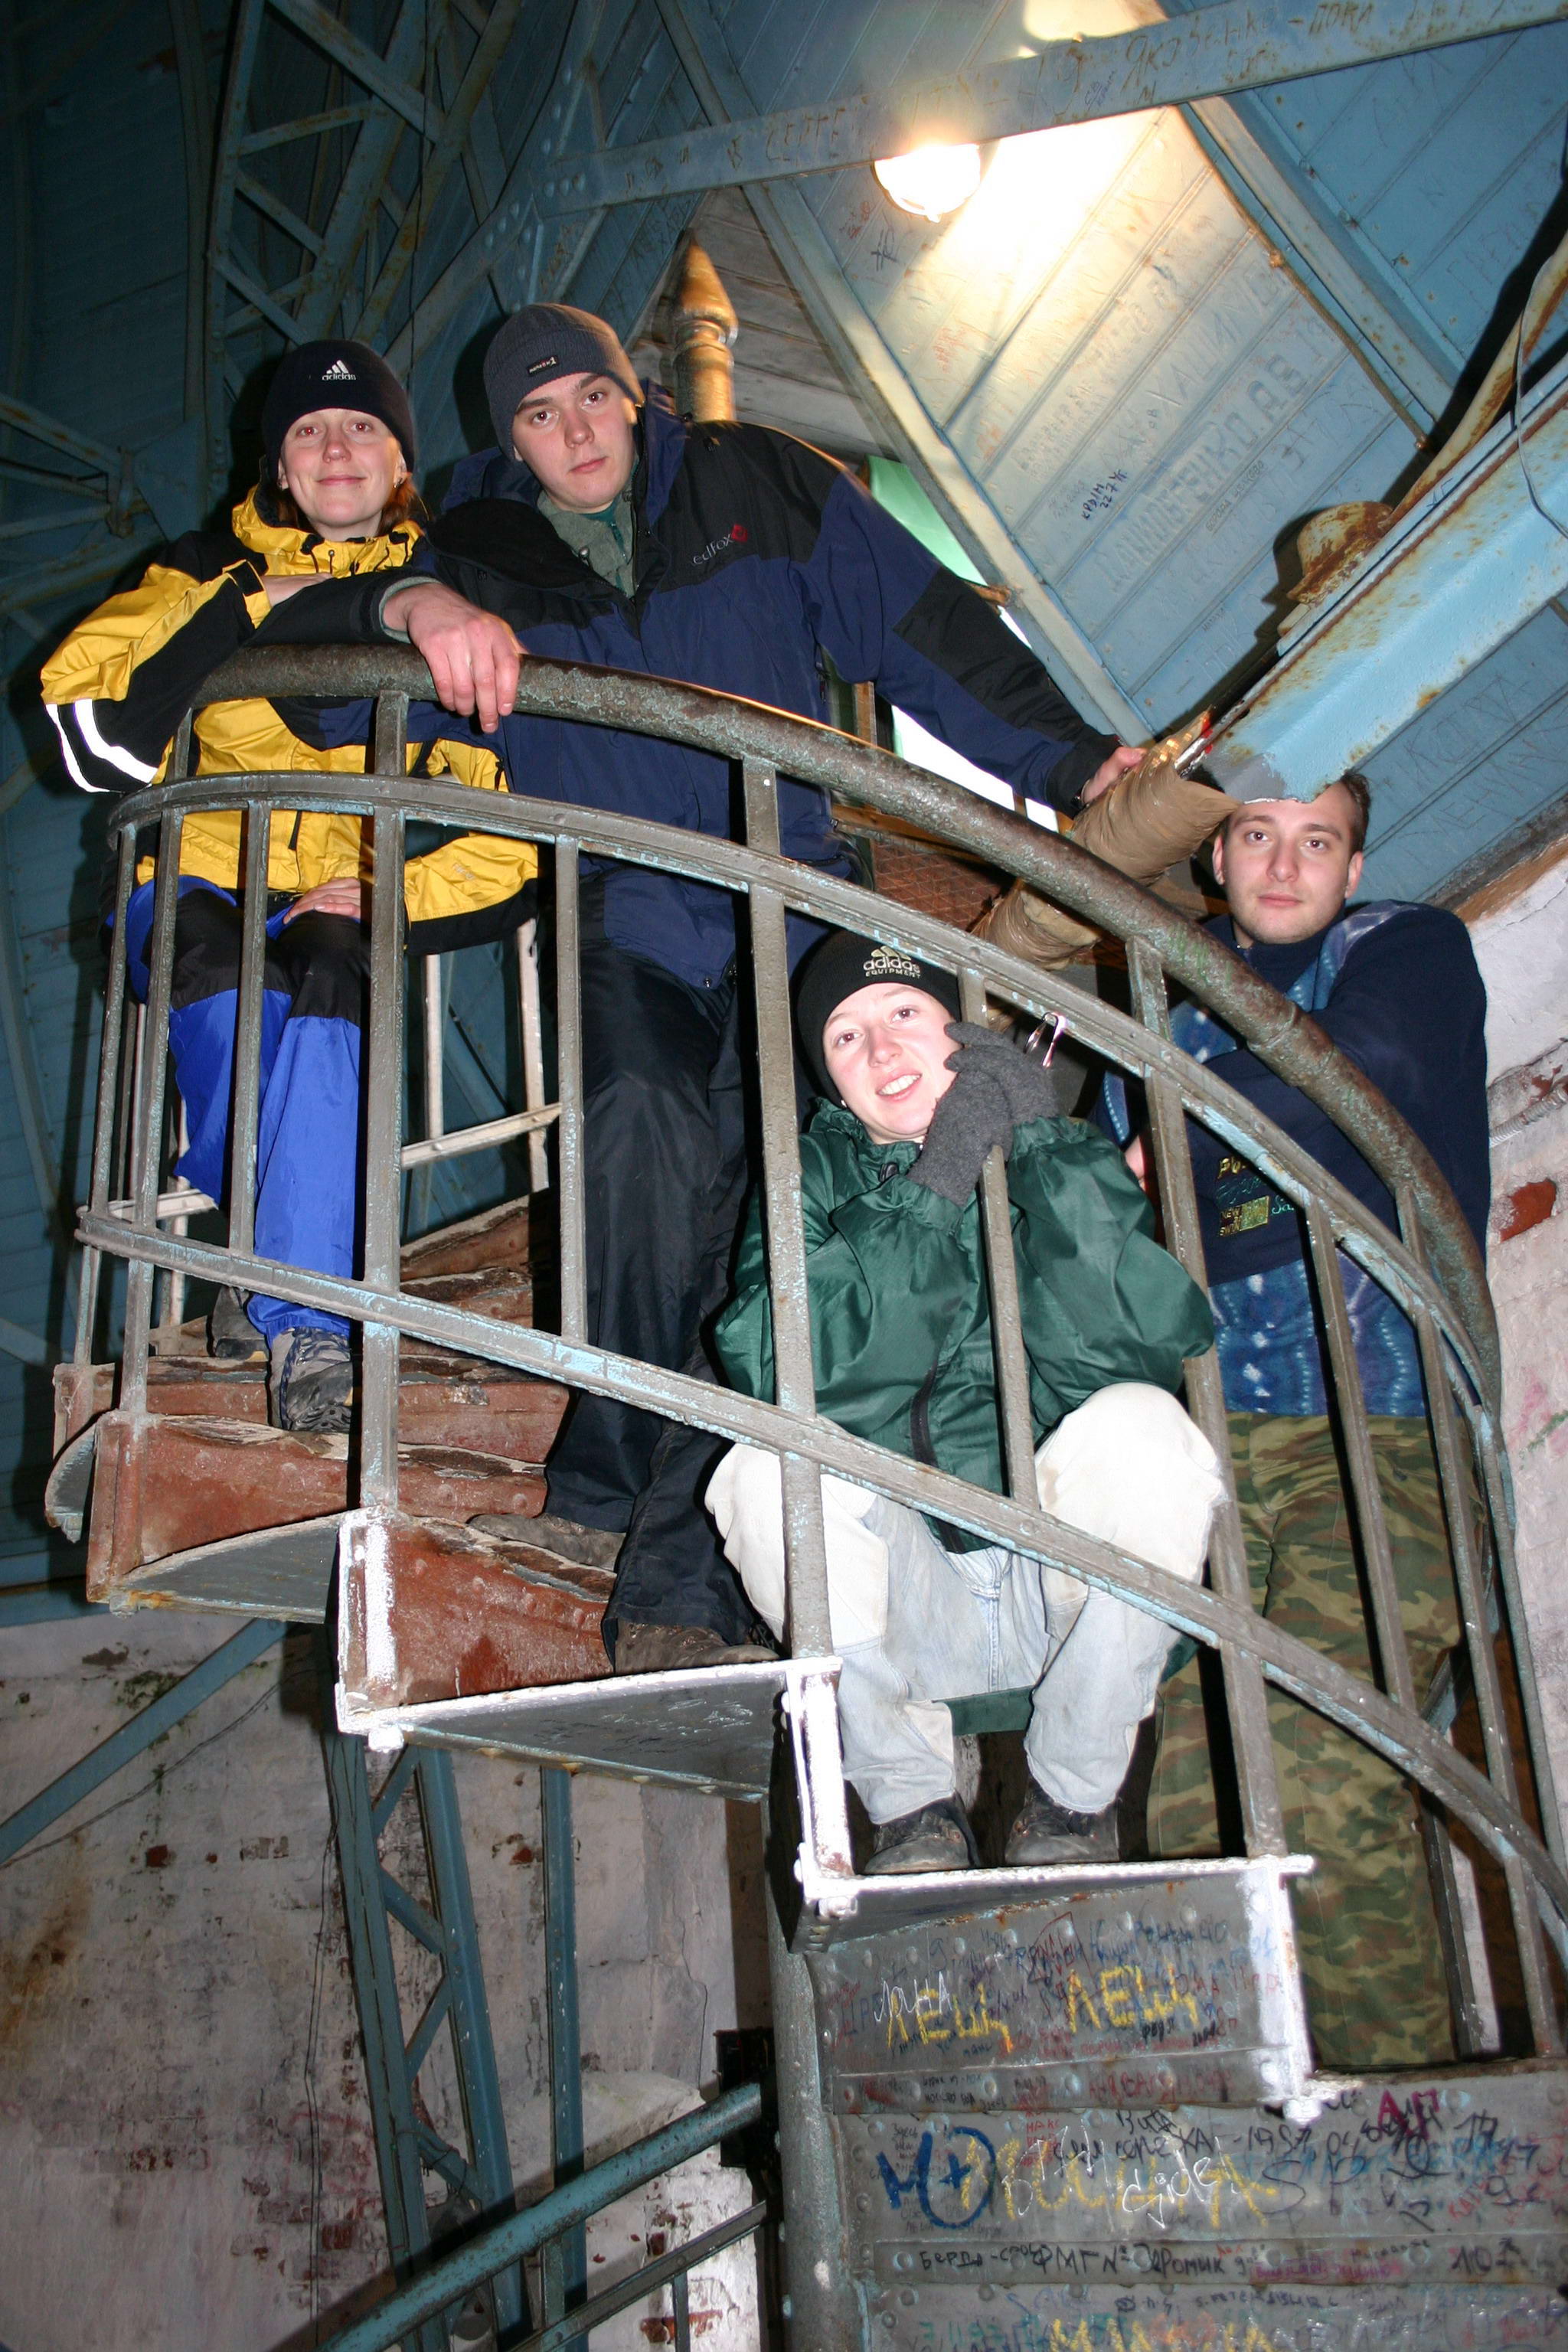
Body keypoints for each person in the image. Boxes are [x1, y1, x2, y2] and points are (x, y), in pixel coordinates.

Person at [318, 300, 1172, 1671]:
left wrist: (1071, 763)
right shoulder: (466, 538)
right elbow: (316, 678)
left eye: (591, 398)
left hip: (797, 897)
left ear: (633, 393)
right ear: (509, 440)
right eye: (538, 415)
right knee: (643, 1142)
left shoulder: (754, 479)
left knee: (782, 1204)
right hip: (630, 905)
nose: (573, 432)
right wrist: (407, 601)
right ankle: (608, 1478)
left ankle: (673, 1563)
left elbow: (927, 628)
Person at [42, 340, 537, 1432]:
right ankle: (283, 1269)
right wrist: (259, 595)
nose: (337, 447)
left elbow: (511, 829)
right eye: (309, 430)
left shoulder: (455, 600)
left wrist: (395, 898)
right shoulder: (199, 566)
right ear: (277, 464)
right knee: (225, 972)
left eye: (364, 426)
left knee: (327, 971)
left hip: (332, 900)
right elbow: (89, 729)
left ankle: (299, 1317)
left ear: (400, 460)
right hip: (199, 874)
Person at [1102, 773, 1488, 2068]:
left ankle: (1391, 2112)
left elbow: (1368, 1064)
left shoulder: (1401, 946)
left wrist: (1182, 1114)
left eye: (1316, 841)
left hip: (1379, 1429)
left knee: (1325, 1761)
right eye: (1256, 835)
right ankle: (1247, 2100)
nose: (1282, 865)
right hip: (1211, 1443)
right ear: (1213, 856)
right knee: (1193, 1794)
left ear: (1353, 863)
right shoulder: (1153, 998)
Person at [704, 930, 1223, 1872]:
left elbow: (1140, 1345)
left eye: (904, 1011)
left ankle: (1071, 1805)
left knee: (1145, 1428)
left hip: (1057, 1590)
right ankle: (910, 1812)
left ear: (961, 1027)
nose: (880, 1048)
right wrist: (937, 1184)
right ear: (830, 1083)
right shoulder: (804, 1181)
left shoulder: (1051, 1153)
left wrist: (1042, 1151)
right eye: (844, 1037)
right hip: (906, 1604)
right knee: (761, 1470)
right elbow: (796, 1374)